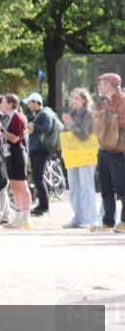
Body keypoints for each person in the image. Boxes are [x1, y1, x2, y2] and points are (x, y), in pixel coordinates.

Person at [60, 87, 99, 229]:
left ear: (84, 100)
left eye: (77, 98)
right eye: (72, 98)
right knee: (74, 188)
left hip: (85, 155)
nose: (74, 101)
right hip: (73, 156)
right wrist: (66, 124)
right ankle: (78, 217)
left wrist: (70, 123)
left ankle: (89, 219)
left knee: (86, 188)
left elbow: (84, 135)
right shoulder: (72, 113)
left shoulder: (89, 113)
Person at [93, 73, 125, 232]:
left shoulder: (123, 100)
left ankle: (124, 221)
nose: (99, 86)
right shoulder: (105, 102)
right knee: (105, 187)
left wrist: (105, 117)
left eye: (101, 83)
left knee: (122, 186)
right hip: (104, 148)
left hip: (118, 150)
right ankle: (108, 220)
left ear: (110, 85)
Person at [0, 94, 32, 229]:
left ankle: (25, 217)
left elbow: (15, 138)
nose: (1, 104)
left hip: (18, 153)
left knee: (22, 185)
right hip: (10, 154)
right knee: (14, 185)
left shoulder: (18, 117)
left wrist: (2, 130)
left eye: (3, 102)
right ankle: (18, 216)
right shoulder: (8, 117)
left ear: (11, 103)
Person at [24, 92, 55, 216]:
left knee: (38, 178)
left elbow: (47, 128)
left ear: (37, 103)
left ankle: (44, 206)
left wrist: (34, 127)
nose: (28, 105)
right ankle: (42, 205)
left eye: (30, 102)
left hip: (41, 150)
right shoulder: (35, 114)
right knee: (37, 179)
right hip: (35, 150)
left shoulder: (45, 114)